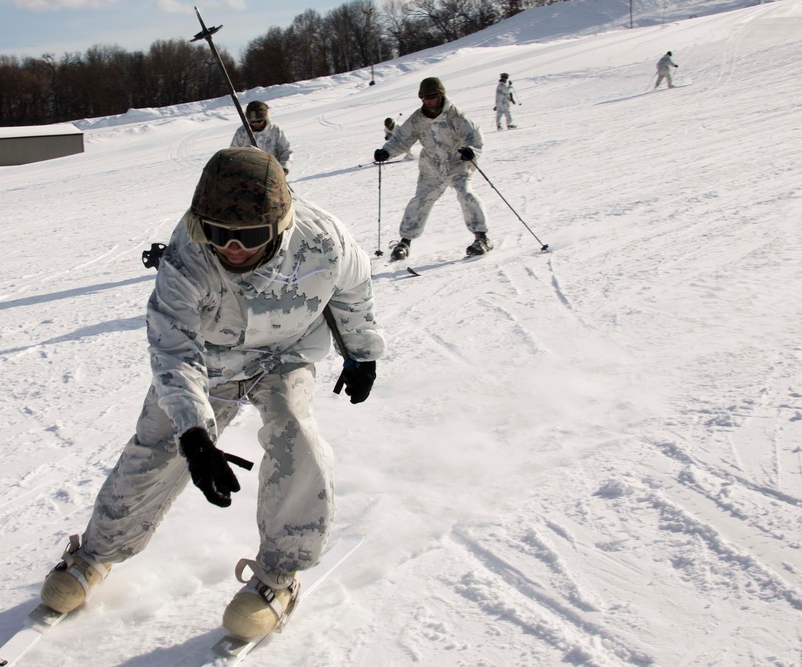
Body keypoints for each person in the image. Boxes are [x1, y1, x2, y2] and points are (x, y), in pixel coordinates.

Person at [39, 147, 384, 643]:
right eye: (219, 235)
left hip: (285, 352)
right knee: (157, 447)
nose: (234, 249)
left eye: (250, 237)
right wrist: (195, 436)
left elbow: (354, 290)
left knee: (296, 433)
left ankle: (279, 574)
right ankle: (97, 552)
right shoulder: (187, 254)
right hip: (210, 358)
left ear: (281, 226)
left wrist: (361, 351)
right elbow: (173, 350)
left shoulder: (324, 239)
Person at [373, 76, 491, 261]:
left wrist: (471, 151)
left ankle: (482, 238)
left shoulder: (454, 115)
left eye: (432, 96)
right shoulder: (417, 118)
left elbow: (474, 137)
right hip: (432, 166)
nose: (428, 101)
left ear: (441, 95)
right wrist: (386, 152)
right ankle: (405, 242)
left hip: (456, 163)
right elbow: (402, 139)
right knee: (420, 200)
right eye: (424, 98)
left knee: (466, 194)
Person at [230, 101, 293, 175]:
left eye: (259, 121)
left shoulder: (275, 130)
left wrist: (284, 168)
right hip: (248, 174)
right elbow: (233, 154)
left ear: (265, 118)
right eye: (252, 122)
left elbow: (286, 150)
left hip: (272, 173)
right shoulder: (242, 132)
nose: (256, 124)